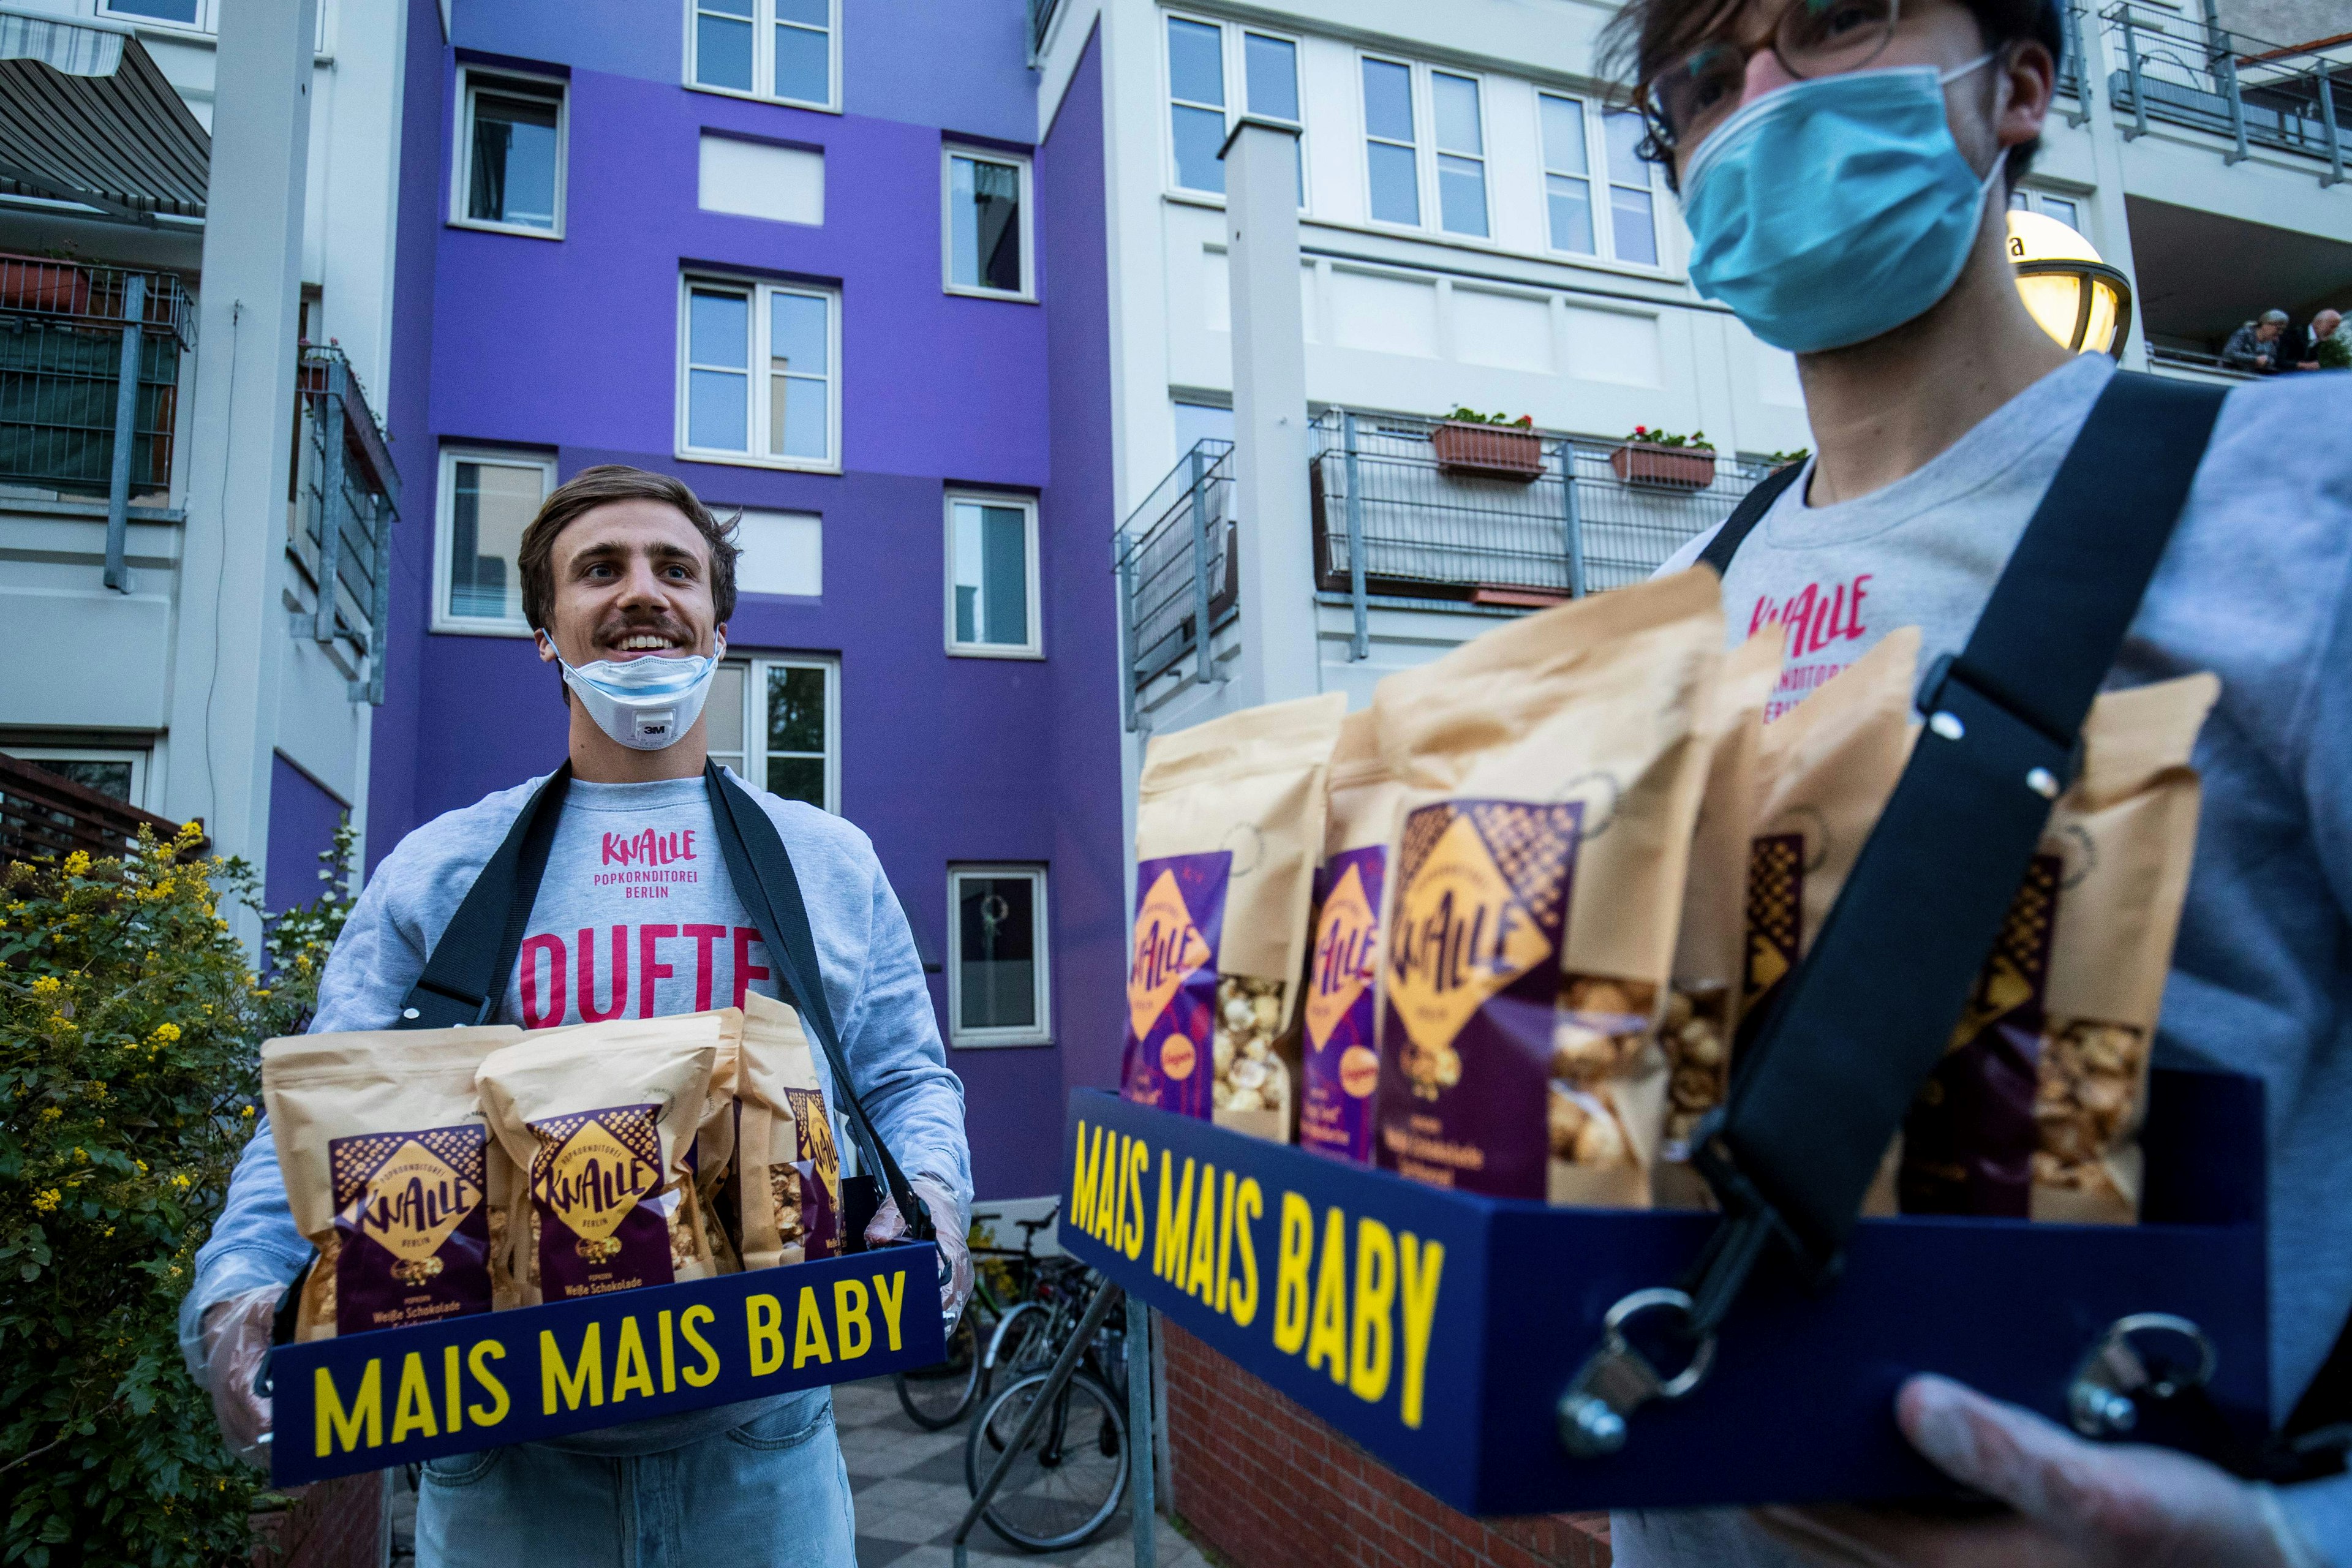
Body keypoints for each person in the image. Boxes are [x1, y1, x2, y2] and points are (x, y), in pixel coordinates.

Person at [1600, 0, 2352, 1561]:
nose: (1752, 98)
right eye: (1696, 76)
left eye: (1827, 21)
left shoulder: (2300, 508)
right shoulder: (1667, 598)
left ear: (2013, 84)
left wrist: (2286, 1542)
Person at [179, 466, 974, 1568]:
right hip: (506, 1466)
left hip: (767, 1457)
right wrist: (242, 1286)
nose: (641, 591)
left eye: (675, 570)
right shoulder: (441, 871)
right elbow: (323, 1111)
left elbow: (902, 1077)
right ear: (544, 635)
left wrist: (930, 1194)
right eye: (599, 569)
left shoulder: (827, 864)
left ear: (719, 625)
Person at [2222, 309, 2290, 373]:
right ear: (2266, 325)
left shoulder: (2274, 342)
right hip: (2233, 373)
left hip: (2254, 377)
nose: (2280, 332)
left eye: (2282, 330)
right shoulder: (2244, 333)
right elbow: (2229, 353)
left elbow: (2273, 359)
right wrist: (2255, 359)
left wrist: (2267, 361)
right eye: (2278, 329)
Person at [2293, 307, 2346, 371]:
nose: (2333, 331)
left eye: (2335, 328)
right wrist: (2304, 365)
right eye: (2332, 327)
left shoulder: (2317, 340)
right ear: (2318, 323)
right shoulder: (2294, 334)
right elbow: (2280, 361)